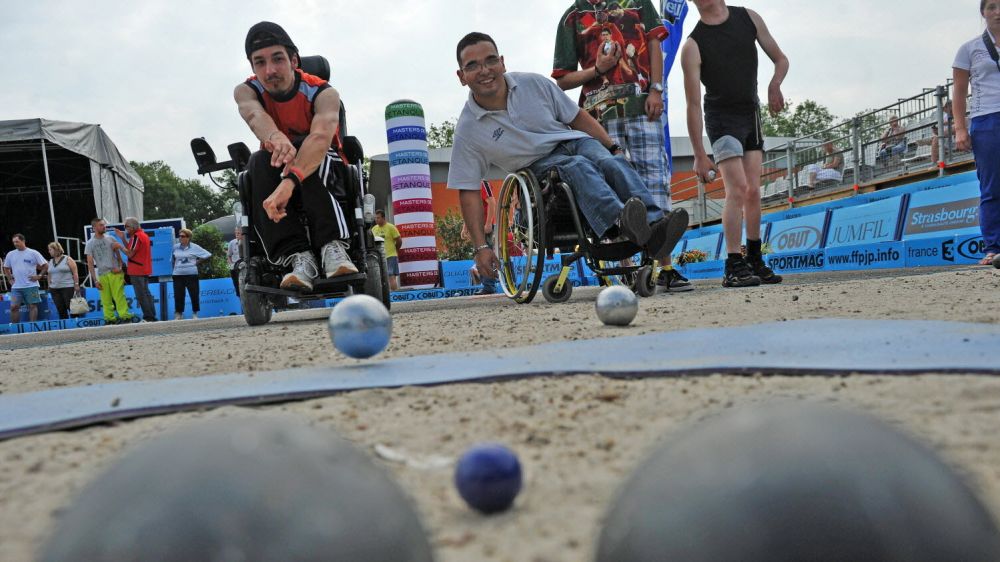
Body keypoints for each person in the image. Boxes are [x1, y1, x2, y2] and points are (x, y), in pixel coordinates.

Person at [448, 32, 689, 286]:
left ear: (503, 62)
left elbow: (577, 117)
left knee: (611, 161)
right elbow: (468, 191)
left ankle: (655, 224)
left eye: (490, 60)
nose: (484, 70)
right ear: (462, 77)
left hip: (573, 140)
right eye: (472, 66)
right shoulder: (468, 130)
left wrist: (612, 146)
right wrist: (480, 247)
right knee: (578, 166)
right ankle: (620, 221)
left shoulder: (534, 84)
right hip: (536, 166)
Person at [553, 0, 692, 293]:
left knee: (655, 183)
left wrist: (656, 89)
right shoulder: (572, 17)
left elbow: (655, 42)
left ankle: (665, 268)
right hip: (599, 117)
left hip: (643, 106)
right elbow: (562, 80)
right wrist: (596, 69)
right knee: (616, 191)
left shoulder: (638, 3)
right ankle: (627, 271)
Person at [235, 21, 357, 292]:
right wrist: (276, 138)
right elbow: (255, 115)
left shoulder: (323, 92)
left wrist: (289, 182)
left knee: (307, 146)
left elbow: (321, 138)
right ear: (253, 67)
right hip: (277, 168)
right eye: (260, 62)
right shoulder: (247, 91)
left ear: (293, 60)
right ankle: (299, 257)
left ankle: (332, 247)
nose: (270, 70)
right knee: (257, 161)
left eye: (277, 59)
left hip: (327, 169)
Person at [681, 0, 787, 287]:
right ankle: (732, 263)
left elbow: (781, 59)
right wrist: (699, 154)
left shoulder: (748, 18)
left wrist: (775, 83)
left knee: (753, 191)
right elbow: (692, 105)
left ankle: (754, 258)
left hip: (750, 115)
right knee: (737, 189)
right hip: (721, 120)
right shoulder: (693, 45)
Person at [954, 0, 1000, 265]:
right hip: (987, 120)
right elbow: (959, 92)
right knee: (992, 187)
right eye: (991, 7)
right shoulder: (969, 48)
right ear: (983, 13)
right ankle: (993, 247)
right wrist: (961, 128)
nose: (997, 12)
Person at [85, 218, 133, 324]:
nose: (104, 226)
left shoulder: (111, 238)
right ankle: (109, 318)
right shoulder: (90, 243)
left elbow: (119, 255)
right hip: (102, 274)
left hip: (115, 272)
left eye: (104, 225)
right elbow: (90, 263)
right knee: (105, 299)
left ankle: (125, 316)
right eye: (101, 225)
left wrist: (120, 268)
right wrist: (95, 280)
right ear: (94, 228)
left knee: (119, 296)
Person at [113, 218, 157, 322]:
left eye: (126, 226)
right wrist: (123, 239)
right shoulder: (142, 235)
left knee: (141, 295)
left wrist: (119, 246)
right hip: (142, 269)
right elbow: (131, 249)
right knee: (146, 293)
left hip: (137, 270)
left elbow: (129, 253)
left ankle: (148, 317)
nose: (125, 229)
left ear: (132, 227)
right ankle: (151, 316)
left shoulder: (137, 236)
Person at [3, 234, 47, 323]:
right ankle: (15, 329)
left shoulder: (33, 253)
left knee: (32, 306)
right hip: (16, 287)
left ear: (23, 241)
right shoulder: (10, 254)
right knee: (14, 307)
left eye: (17, 241)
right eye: (14, 242)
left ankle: (32, 327)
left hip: (31, 285)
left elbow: (45, 265)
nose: (15, 244)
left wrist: (39, 276)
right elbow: (6, 268)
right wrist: (10, 279)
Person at [172, 229, 212, 320]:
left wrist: (197, 262)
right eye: (179, 236)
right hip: (177, 275)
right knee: (178, 295)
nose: (180, 238)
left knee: (194, 294)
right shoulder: (175, 247)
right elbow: (173, 259)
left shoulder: (195, 247)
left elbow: (208, 254)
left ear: (188, 238)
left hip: (191, 274)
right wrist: (175, 269)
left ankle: (195, 313)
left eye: (182, 236)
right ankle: (179, 314)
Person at [46, 241, 80, 320]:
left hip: (67, 287)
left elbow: (75, 273)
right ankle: (64, 326)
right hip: (54, 288)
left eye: (50, 249)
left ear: (56, 249)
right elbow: (49, 274)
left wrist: (76, 284)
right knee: (60, 308)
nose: (49, 251)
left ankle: (76, 323)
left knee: (70, 306)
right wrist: (49, 285)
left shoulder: (68, 259)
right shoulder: (50, 261)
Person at [370, 210, 402, 291]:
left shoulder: (391, 227)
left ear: (383, 218)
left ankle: (394, 294)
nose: (376, 220)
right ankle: (385, 295)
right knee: (380, 278)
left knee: (391, 276)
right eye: (375, 218)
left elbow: (399, 240)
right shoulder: (374, 229)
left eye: (378, 218)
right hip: (379, 257)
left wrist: (395, 250)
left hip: (390, 255)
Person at [227, 227, 243, 297]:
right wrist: (231, 265)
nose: (237, 234)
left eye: (238, 233)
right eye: (236, 233)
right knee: (237, 287)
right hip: (235, 268)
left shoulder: (248, 241)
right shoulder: (232, 243)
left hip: (245, 267)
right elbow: (229, 256)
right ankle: (241, 304)